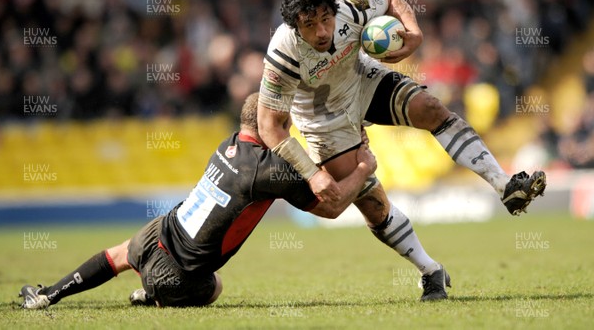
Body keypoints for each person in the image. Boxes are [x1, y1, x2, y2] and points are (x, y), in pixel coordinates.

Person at [257, 0, 547, 300]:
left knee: (431, 108)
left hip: (362, 81)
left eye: (326, 18)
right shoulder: (283, 53)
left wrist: (414, 34)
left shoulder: (350, 6)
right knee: (371, 204)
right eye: (310, 24)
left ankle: (504, 185)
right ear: (296, 26)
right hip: (324, 120)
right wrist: (311, 174)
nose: (322, 31)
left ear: (333, 9)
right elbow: (269, 125)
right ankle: (430, 270)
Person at [19, 93, 377, 309]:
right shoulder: (268, 170)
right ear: (275, 124)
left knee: (115, 256)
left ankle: (47, 294)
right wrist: (363, 167)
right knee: (215, 286)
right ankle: (155, 295)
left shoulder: (228, 143)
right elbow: (331, 207)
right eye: (286, 124)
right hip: (179, 275)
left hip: (158, 233)